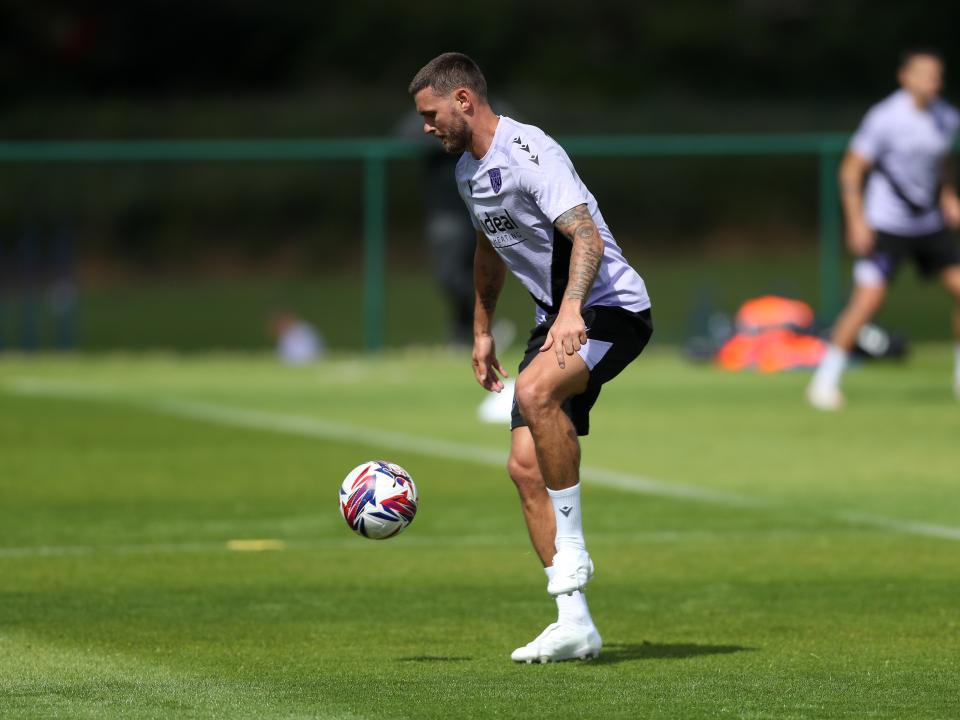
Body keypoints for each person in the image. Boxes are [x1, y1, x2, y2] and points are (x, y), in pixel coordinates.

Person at [409, 53, 653, 663]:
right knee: (523, 467)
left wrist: (572, 311)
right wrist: (482, 327)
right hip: (557, 316)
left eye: (431, 114)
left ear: (463, 100)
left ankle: (571, 554)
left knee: (536, 393)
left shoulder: (530, 150)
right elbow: (490, 246)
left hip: (610, 308)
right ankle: (575, 622)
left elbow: (587, 236)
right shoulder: (468, 170)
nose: (426, 127)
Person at [808, 49, 960, 410]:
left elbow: (941, 164)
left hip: (929, 224)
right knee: (867, 303)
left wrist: (949, 197)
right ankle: (824, 381)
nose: (932, 82)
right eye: (924, 75)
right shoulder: (885, 118)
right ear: (905, 77)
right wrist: (857, 221)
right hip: (887, 225)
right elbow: (850, 170)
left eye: (937, 76)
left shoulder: (947, 117)